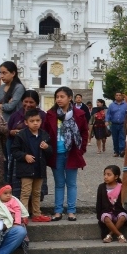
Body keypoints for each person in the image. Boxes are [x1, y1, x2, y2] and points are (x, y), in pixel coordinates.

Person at [43, 86, 89, 222]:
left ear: (70, 98)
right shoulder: (50, 114)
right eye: (57, 97)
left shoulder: (79, 114)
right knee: (59, 183)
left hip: (72, 153)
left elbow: (84, 133)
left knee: (71, 183)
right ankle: (57, 211)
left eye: (62, 97)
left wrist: (81, 150)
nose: (59, 99)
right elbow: (44, 133)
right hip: (56, 153)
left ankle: (71, 211)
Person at [11, 108, 52, 223]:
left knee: (37, 192)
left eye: (37, 120)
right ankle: (23, 215)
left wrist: (47, 148)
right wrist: (25, 156)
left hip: (39, 169)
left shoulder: (44, 135)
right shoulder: (21, 135)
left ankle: (36, 214)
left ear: (41, 121)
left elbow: (50, 151)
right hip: (26, 170)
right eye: (32, 121)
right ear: (26, 122)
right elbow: (14, 151)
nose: (35, 123)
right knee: (25, 192)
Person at [96, 165, 127, 243]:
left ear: (116, 176)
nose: (106, 177)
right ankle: (120, 235)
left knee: (123, 217)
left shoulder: (122, 187)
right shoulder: (101, 187)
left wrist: (126, 213)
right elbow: (99, 203)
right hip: (106, 212)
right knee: (106, 217)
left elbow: (125, 202)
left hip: (119, 211)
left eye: (109, 175)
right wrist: (99, 215)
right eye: (104, 174)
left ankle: (110, 235)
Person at [106, 92, 127, 157]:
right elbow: (108, 114)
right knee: (115, 138)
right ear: (115, 96)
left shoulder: (126, 105)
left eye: (119, 95)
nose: (118, 96)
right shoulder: (111, 105)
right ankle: (116, 151)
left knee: (122, 137)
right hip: (114, 124)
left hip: (123, 124)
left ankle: (121, 151)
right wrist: (107, 120)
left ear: (122, 97)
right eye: (117, 95)